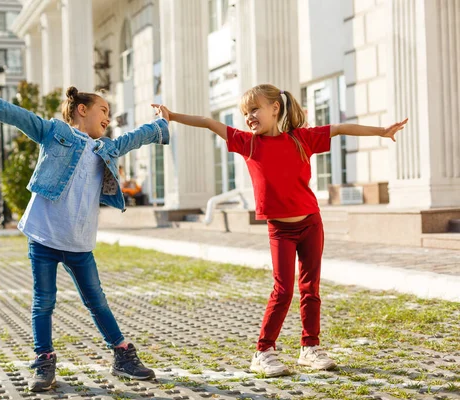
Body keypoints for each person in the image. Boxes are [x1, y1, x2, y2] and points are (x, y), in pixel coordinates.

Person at [152, 83, 407, 377]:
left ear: (275, 108)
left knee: (311, 289)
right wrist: (172, 116)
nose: (249, 117)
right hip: (280, 230)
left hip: (311, 223)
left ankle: (310, 348)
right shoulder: (248, 143)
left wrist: (381, 131)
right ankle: (263, 352)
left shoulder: (302, 139)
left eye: (255, 109)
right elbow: (209, 123)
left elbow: (339, 129)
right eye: (245, 113)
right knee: (283, 290)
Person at [0, 76, 170, 391]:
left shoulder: (106, 147)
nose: (108, 117)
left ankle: (122, 355)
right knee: (44, 302)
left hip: (79, 243)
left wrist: (160, 124)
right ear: (82, 110)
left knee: (97, 301)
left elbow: (135, 136)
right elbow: (17, 115)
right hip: (44, 236)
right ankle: (44, 360)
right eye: (103, 110)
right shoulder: (55, 133)